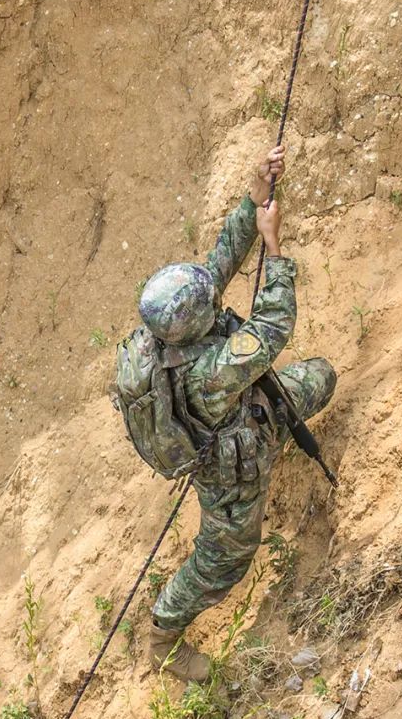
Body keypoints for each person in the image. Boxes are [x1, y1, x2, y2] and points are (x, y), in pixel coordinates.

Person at [138, 143, 337, 682]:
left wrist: (255, 199)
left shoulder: (172, 326)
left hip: (251, 416)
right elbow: (272, 327)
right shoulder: (206, 376)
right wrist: (273, 246)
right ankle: (163, 635)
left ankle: (275, 442)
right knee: (226, 559)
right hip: (229, 473)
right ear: (196, 324)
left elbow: (220, 262)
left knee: (320, 378)